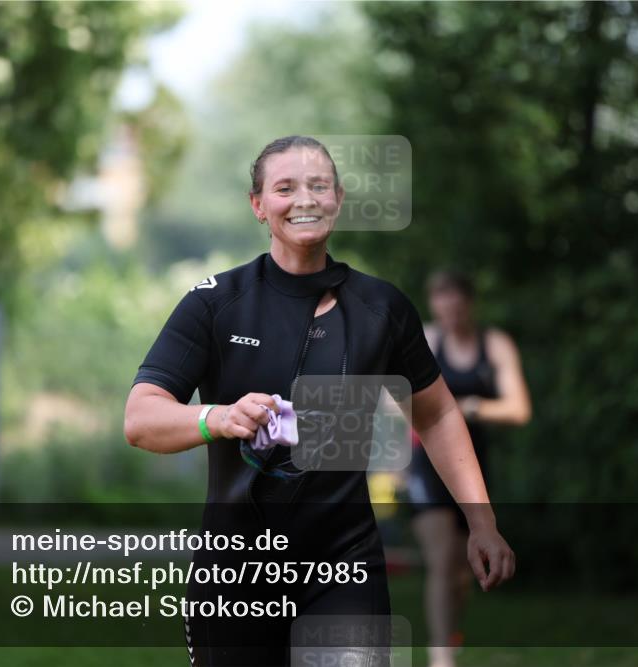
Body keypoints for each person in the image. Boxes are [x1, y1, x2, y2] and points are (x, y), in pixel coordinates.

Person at [124, 135, 515, 666]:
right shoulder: (215, 303)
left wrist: (482, 521)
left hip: (343, 565)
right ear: (258, 205)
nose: (304, 199)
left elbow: (439, 412)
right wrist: (217, 417)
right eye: (284, 188)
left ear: (339, 198)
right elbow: (142, 417)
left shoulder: (383, 308)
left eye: (318, 186)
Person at [408, 270, 532, 667]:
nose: (450, 311)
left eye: (457, 302)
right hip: (426, 463)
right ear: (434, 305)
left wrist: (468, 409)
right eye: (442, 302)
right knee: (443, 557)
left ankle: (450, 636)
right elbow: (397, 400)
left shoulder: (494, 344)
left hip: (472, 466)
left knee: (464, 570)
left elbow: (518, 409)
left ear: (469, 304)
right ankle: (441, 658)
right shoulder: (425, 340)